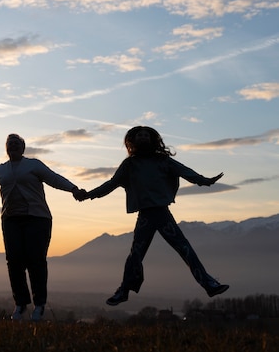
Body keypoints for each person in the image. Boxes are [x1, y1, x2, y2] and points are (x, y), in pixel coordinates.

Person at [76, 126, 229, 306]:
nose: (143, 137)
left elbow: (185, 171)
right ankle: (123, 291)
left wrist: (204, 181)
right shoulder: (129, 165)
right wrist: (89, 195)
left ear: (152, 139)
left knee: (184, 249)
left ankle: (209, 284)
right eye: (139, 135)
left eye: (146, 135)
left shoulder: (162, 161)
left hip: (161, 213)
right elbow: (111, 184)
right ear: (133, 140)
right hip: (146, 215)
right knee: (137, 255)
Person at [0, 133, 83, 322]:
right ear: (6, 149)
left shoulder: (34, 165)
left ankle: (39, 305)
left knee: (36, 261)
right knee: (14, 262)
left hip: (37, 219)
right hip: (11, 220)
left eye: (16, 143)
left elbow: (54, 178)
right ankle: (20, 304)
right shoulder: (1, 170)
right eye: (9, 143)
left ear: (23, 147)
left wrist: (73, 189)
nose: (13, 145)